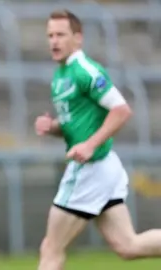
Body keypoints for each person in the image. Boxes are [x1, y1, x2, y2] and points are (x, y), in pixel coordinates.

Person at [34, 9, 161, 270]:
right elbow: (74, 125)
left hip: (91, 168)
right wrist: (53, 127)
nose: (54, 41)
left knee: (50, 247)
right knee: (128, 246)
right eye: (50, 35)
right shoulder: (61, 74)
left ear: (78, 38)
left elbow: (121, 110)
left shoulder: (85, 70)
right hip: (104, 167)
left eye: (60, 35)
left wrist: (90, 145)